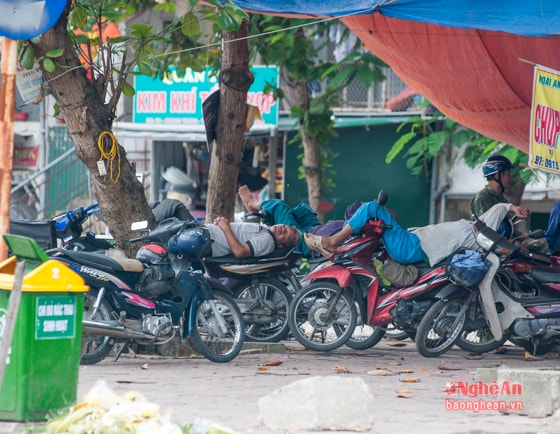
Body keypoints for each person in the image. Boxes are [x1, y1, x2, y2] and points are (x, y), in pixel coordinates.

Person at [304, 201, 529, 267]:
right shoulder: (473, 229)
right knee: (367, 210)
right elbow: (496, 210)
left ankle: (333, 242)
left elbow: (497, 210)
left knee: (371, 208)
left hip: (411, 247)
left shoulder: (479, 238)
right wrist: (512, 208)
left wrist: (508, 209)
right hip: (412, 241)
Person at [238, 185, 360, 258]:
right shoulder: (352, 222)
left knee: (279, 206)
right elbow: (358, 209)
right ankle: (267, 212)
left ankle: (253, 205)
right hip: (312, 232)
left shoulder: (352, 226)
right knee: (303, 209)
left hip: (305, 240)